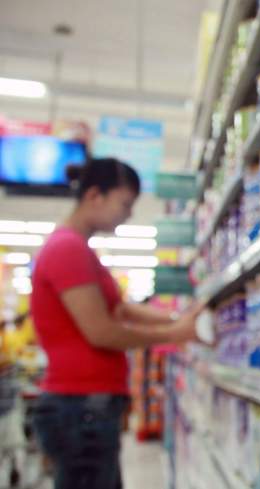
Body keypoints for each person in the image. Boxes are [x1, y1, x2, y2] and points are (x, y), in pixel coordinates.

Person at [29, 158, 200, 489]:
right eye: (125, 204)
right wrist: (175, 333)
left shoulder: (79, 249)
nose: (128, 214)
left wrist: (178, 317)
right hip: (81, 406)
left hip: (85, 407)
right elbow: (102, 332)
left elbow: (121, 309)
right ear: (95, 195)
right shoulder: (67, 249)